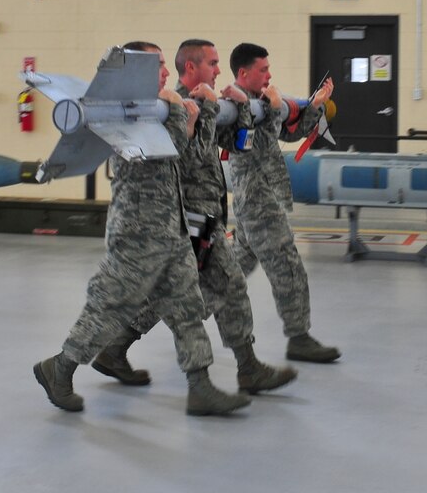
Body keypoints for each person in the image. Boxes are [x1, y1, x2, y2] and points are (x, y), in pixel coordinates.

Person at [33, 42, 251, 416]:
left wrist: (188, 117)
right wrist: (180, 112)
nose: (165, 72)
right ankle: (60, 367)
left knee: (187, 308)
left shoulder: (153, 108)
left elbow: (181, 155)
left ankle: (200, 387)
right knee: (109, 305)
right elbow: (165, 148)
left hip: (170, 230)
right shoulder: (130, 113)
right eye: (158, 66)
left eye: (165, 65)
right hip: (137, 232)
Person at [89, 39, 297, 395]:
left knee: (176, 294)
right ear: (191, 67)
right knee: (226, 285)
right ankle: (246, 369)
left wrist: (243, 110)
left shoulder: (205, 104)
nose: (218, 70)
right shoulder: (175, 108)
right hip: (190, 218)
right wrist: (209, 111)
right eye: (212, 63)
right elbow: (188, 157)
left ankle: (114, 347)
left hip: (206, 215)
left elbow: (241, 145)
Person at [219, 42, 340, 363]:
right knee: (288, 269)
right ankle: (299, 338)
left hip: (259, 203)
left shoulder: (259, 101)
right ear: (244, 73)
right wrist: (272, 109)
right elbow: (254, 143)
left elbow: (288, 134)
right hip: (259, 206)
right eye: (263, 70)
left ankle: (155, 319)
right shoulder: (233, 105)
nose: (269, 75)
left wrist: (315, 105)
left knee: (227, 275)